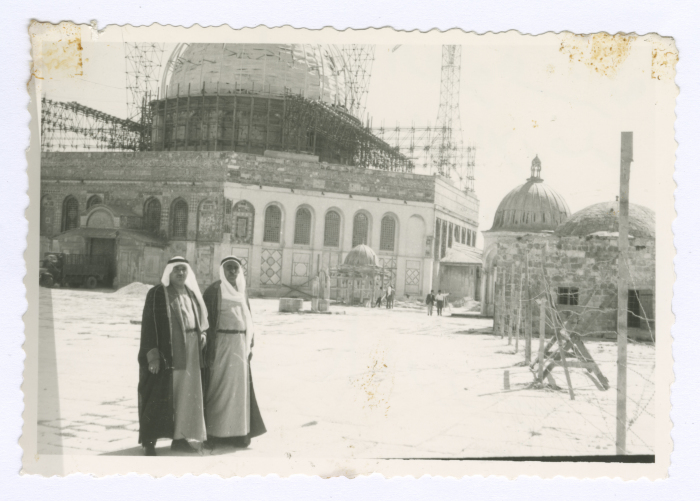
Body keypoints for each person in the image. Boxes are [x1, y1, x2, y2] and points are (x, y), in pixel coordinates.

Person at [138, 256, 209, 456]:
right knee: (157, 396)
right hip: (167, 354)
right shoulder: (157, 294)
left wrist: (202, 334)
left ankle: (180, 438)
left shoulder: (191, 293)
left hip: (191, 355)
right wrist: (152, 356)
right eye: (176, 269)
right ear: (169, 272)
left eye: (184, 270)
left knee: (185, 399)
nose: (180, 273)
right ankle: (149, 441)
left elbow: (201, 321)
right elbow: (148, 327)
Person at [202, 256, 266, 448]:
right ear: (222, 270)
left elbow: (249, 321)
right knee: (219, 388)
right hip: (221, 344)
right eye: (229, 268)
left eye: (235, 269)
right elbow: (204, 319)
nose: (232, 272)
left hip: (240, 346)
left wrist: (250, 345)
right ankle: (214, 434)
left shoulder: (241, 291)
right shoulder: (214, 291)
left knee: (239, 392)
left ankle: (239, 434)